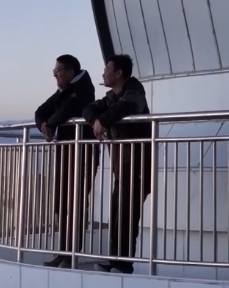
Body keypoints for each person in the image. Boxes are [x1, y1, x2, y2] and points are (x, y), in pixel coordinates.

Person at [82, 54, 151, 274]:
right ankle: (116, 260)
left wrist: (103, 120)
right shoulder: (112, 96)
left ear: (119, 73)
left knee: (127, 213)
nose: (103, 73)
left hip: (137, 166)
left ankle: (123, 264)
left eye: (107, 69)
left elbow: (127, 107)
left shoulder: (134, 92)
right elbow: (88, 109)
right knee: (118, 211)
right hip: (123, 167)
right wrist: (95, 120)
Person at [33, 54, 98, 268]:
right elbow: (41, 111)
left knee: (75, 201)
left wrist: (50, 125)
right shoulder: (65, 90)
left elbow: (68, 110)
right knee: (62, 202)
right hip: (66, 150)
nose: (55, 75)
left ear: (71, 72)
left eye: (58, 71)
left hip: (83, 152)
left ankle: (71, 253)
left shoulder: (82, 89)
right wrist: (44, 126)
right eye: (54, 71)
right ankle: (63, 252)